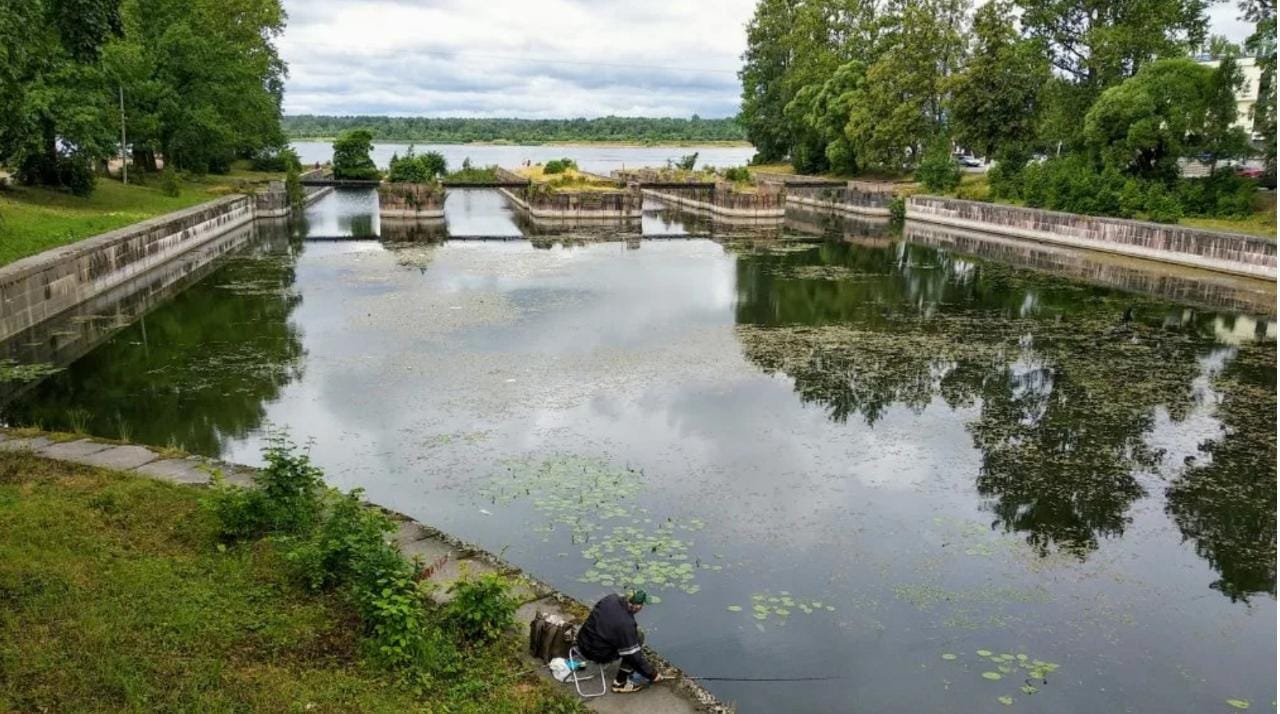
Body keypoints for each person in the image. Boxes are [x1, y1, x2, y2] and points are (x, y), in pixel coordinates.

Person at [575, 589, 665, 693]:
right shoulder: (626, 624)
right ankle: (620, 683)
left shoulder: (609, 599)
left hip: (582, 641)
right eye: (642, 605)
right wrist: (653, 674)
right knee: (638, 637)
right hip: (596, 654)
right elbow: (633, 656)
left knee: (625, 637)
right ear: (637, 607)